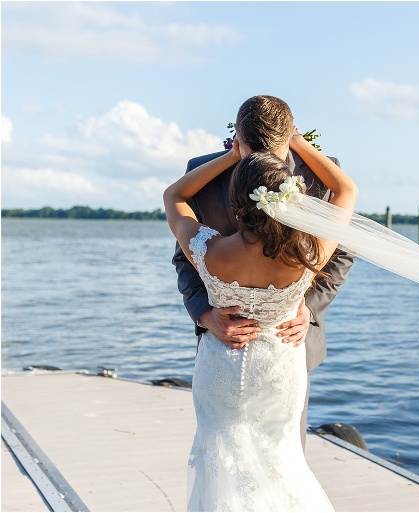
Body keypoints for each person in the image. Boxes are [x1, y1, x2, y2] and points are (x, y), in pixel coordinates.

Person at [165, 118, 357, 510]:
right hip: (274, 365)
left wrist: (310, 311)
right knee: (280, 465)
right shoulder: (309, 253)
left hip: (228, 365)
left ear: (238, 202)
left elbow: (173, 198)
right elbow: (347, 193)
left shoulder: (208, 249)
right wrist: (205, 315)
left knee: (227, 464)